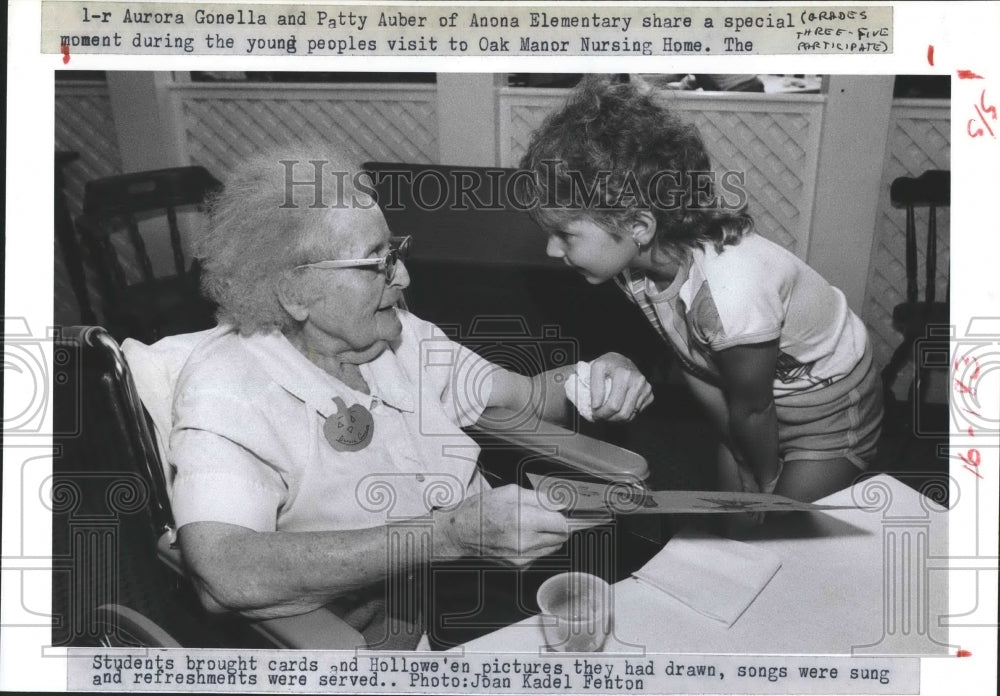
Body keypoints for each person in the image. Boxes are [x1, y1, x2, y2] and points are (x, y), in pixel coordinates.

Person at [168, 141, 653, 650]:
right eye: (375, 262)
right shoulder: (228, 388)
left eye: (393, 252)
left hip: (450, 608)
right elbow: (224, 573)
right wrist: (446, 535)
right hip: (340, 650)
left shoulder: (400, 338)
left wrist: (599, 372)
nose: (403, 276)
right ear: (295, 291)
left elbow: (527, 396)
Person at [516, 76, 882, 504]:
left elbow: (754, 407)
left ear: (638, 226)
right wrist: (738, 452)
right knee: (733, 526)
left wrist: (765, 483)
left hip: (831, 411)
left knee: (779, 530)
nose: (551, 249)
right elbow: (696, 364)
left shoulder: (731, 293)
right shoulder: (633, 264)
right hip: (755, 405)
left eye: (564, 234)